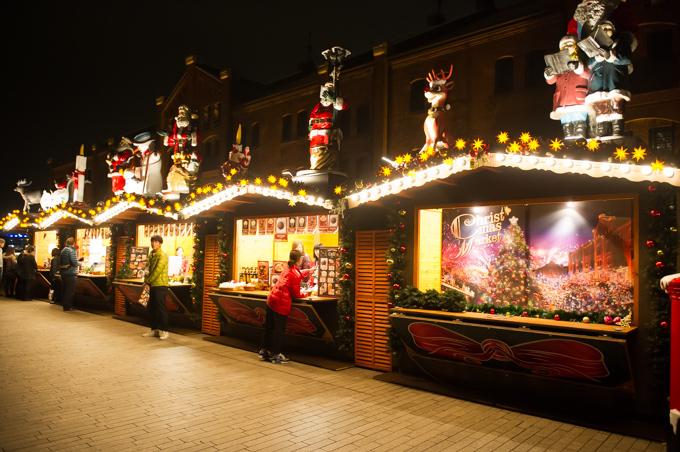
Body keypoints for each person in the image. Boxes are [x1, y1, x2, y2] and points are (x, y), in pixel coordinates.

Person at [259, 249, 308, 364]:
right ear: (299, 259)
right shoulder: (294, 273)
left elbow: (297, 274)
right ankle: (277, 355)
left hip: (272, 299)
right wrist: (305, 294)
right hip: (281, 303)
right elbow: (296, 293)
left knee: (269, 327)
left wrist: (308, 271)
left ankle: (263, 351)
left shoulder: (287, 267)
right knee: (279, 330)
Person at [544, 34, 591, 139]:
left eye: (569, 44)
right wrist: (549, 73)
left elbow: (589, 74)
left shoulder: (582, 60)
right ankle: (568, 142)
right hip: (563, 101)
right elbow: (551, 81)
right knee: (567, 125)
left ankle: (579, 140)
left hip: (578, 99)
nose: (566, 47)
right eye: (563, 45)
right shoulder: (559, 65)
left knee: (579, 123)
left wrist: (578, 68)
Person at [142, 235, 170, 340]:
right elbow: (148, 269)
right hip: (152, 285)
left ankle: (165, 331)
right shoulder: (151, 255)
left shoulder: (162, 255)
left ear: (160, 244)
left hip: (160, 285)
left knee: (161, 308)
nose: (154, 244)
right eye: (153, 241)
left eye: (156, 242)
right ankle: (154, 330)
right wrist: (147, 282)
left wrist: (148, 281)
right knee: (152, 308)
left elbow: (157, 271)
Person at [59, 237, 79, 311]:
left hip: (64, 272)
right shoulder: (72, 250)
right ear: (73, 243)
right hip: (70, 272)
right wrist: (80, 263)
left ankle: (65, 304)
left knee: (65, 289)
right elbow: (74, 262)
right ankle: (68, 306)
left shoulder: (63, 250)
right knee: (69, 290)